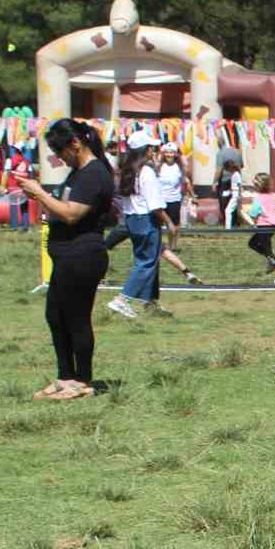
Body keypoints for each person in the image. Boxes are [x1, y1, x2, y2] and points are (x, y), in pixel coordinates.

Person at [14, 119, 115, 400]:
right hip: (66, 255)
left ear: (75, 143)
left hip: (83, 255)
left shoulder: (94, 174)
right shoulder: (78, 173)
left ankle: (82, 381)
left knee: (77, 318)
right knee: (56, 316)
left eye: (61, 152)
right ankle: (64, 377)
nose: (60, 159)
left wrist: (39, 193)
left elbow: (72, 213)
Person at [109, 130, 168, 320]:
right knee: (147, 263)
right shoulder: (147, 171)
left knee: (147, 261)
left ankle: (149, 301)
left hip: (132, 219)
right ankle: (122, 299)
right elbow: (155, 204)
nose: (154, 151)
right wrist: (170, 223)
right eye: (152, 147)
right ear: (146, 150)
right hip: (147, 219)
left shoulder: (127, 170)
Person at [240, 172, 275, 283]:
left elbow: (253, 213)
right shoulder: (274, 196)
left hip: (263, 227)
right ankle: (271, 259)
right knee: (258, 245)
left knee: (258, 246)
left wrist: (246, 212)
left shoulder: (258, 198)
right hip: (273, 226)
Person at [5, 144, 33, 231]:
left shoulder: (10, 160)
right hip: (24, 187)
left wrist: (6, 186)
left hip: (13, 186)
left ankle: (14, 226)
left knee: (13, 207)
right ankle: (26, 226)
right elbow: (30, 174)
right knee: (24, 207)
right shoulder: (27, 161)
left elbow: (7, 173)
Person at [216, 151, 243, 230]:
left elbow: (239, 185)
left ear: (230, 168)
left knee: (228, 210)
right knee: (239, 212)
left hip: (236, 195)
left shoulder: (236, 174)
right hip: (235, 193)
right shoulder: (235, 174)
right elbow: (235, 186)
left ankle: (228, 227)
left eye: (227, 169)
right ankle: (252, 224)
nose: (226, 171)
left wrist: (239, 195)